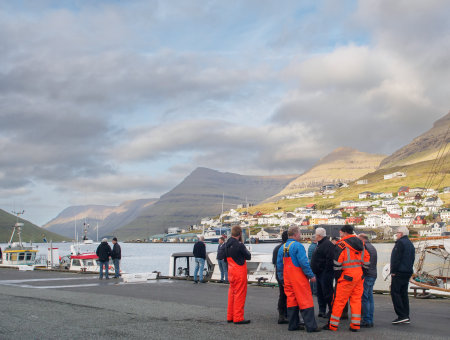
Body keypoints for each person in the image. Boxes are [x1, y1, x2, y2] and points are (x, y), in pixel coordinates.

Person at [324, 225, 370, 332]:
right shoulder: (361, 244)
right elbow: (367, 260)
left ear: (344, 232)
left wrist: (338, 277)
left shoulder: (341, 245)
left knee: (339, 301)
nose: (339, 233)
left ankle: (333, 325)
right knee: (356, 301)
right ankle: (355, 325)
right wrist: (363, 273)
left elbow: (337, 264)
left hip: (346, 277)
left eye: (340, 231)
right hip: (359, 277)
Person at [277, 226, 320, 333]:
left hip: (287, 279)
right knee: (305, 301)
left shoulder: (282, 247)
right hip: (298, 278)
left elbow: (279, 265)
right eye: (300, 233)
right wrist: (311, 276)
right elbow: (304, 263)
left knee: (291, 301)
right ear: (296, 234)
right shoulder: (298, 246)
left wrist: (282, 279)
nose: (300, 235)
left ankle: (293, 325)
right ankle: (311, 326)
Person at [225, 225, 251, 324]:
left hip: (231, 271)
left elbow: (222, 257)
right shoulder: (239, 245)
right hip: (239, 271)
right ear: (240, 234)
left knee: (232, 293)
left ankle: (230, 316)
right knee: (240, 294)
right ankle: (238, 317)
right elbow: (248, 256)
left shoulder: (226, 244)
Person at [390, 226, 415, 325]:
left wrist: (393, 270)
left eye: (397, 233)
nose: (396, 235)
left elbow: (397, 258)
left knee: (395, 292)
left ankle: (401, 315)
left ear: (401, 233)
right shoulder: (410, 244)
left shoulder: (400, 243)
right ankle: (406, 315)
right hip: (408, 271)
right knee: (403, 294)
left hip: (399, 271)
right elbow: (412, 258)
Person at [311, 227, 335, 319]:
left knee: (327, 293)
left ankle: (331, 310)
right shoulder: (321, 244)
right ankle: (322, 310)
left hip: (325, 274)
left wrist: (323, 270)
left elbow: (330, 260)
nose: (314, 236)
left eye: (315, 235)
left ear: (319, 236)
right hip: (320, 273)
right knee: (320, 293)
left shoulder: (327, 245)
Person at [357, 233, 377, 328]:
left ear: (362, 239)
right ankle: (370, 319)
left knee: (364, 298)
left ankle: (367, 320)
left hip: (367, 275)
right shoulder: (372, 247)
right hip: (373, 274)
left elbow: (364, 262)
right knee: (370, 298)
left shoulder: (365, 248)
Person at [272, 230, 289, 324]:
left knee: (282, 294)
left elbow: (275, 262)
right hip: (285, 274)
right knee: (285, 295)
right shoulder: (285, 248)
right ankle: (284, 315)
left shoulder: (276, 248)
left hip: (278, 274)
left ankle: (282, 314)